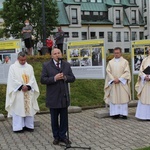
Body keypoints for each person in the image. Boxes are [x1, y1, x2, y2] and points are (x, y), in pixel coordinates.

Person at [40, 48, 75, 145]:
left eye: (58, 53)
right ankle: (56, 137)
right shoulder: (46, 65)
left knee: (64, 119)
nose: (57, 55)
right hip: (53, 97)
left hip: (64, 97)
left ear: (61, 54)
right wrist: (54, 78)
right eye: (55, 53)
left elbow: (72, 78)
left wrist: (65, 77)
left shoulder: (66, 65)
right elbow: (43, 79)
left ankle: (63, 136)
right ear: (52, 56)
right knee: (54, 119)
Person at [5, 52, 40, 133]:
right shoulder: (13, 67)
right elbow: (12, 79)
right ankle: (18, 127)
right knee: (18, 108)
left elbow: (32, 78)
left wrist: (28, 86)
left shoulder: (29, 67)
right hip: (18, 92)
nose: (23, 62)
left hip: (28, 90)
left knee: (29, 108)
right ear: (18, 59)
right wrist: (21, 86)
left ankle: (29, 126)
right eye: (21, 60)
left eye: (24, 60)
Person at [104, 47, 131, 119]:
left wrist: (120, 79)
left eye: (117, 53)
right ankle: (115, 114)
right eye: (115, 53)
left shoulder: (125, 62)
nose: (116, 54)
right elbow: (108, 72)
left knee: (123, 98)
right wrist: (113, 79)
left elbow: (127, 72)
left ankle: (124, 114)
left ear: (120, 53)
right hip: (114, 83)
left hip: (122, 83)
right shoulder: (110, 62)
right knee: (114, 98)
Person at [135, 48, 150, 120]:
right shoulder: (145, 60)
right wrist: (144, 76)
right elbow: (141, 71)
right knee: (144, 98)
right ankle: (144, 116)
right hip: (145, 83)